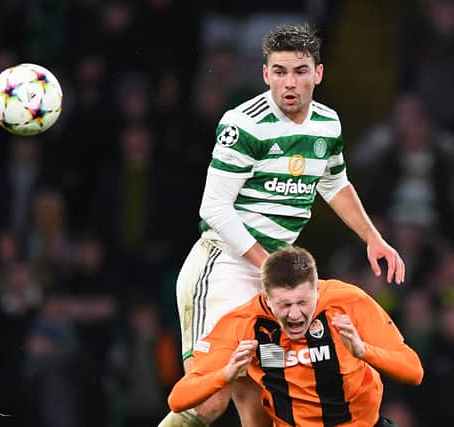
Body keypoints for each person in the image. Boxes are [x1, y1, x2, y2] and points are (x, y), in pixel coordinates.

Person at [158, 24, 405, 427]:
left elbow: (335, 183)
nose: (290, 82)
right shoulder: (244, 125)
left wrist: (372, 237)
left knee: (266, 408)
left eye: (300, 71)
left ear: (318, 73)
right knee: (208, 402)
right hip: (223, 269)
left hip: (272, 279)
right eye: (280, 71)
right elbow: (214, 207)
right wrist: (268, 267)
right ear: (265, 74)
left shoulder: (327, 124)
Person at [168, 246, 423, 427]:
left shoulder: (348, 301)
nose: (295, 314)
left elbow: (414, 372)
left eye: (303, 302)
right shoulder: (243, 322)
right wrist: (225, 375)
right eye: (284, 305)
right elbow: (178, 399)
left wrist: (363, 351)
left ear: (317, 288)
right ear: (266, 297)